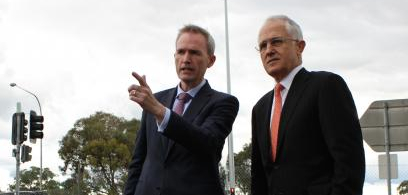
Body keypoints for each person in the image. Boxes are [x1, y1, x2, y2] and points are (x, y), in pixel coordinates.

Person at [251, 15, 365, 195]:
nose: (269, 50)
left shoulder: (326, 86)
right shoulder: (260, 108)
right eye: (263, 46)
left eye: (276, 42)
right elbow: (259, 177)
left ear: (299, 46)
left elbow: (349, 162)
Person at [124, 24, 239, 195]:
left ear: (211, 60)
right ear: (174, 56)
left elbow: (207, 143)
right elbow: (138, 161)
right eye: (181, 52)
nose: (186, 59)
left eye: (194, 52)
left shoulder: (224, 103)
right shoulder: (154, 100)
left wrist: (161, 112)